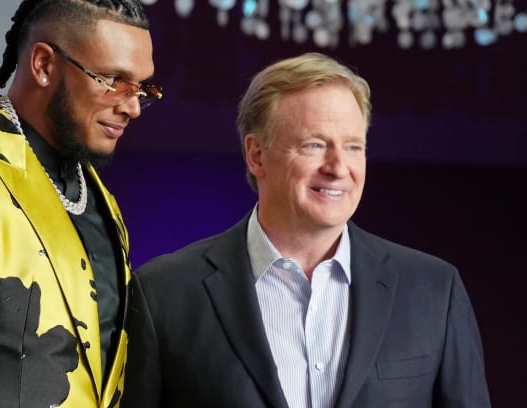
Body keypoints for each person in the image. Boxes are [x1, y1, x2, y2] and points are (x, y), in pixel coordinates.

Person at [123, 52, 491, 407]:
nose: (338, 166)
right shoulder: (164, 293)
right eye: (314, 145)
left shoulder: (433, 290)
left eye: (352, 147)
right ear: (256, 155)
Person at [0, 0, 161, 407]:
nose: (131, 106)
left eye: (142, 88)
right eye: (113, 80)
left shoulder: (102, 202)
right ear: (42, 65)